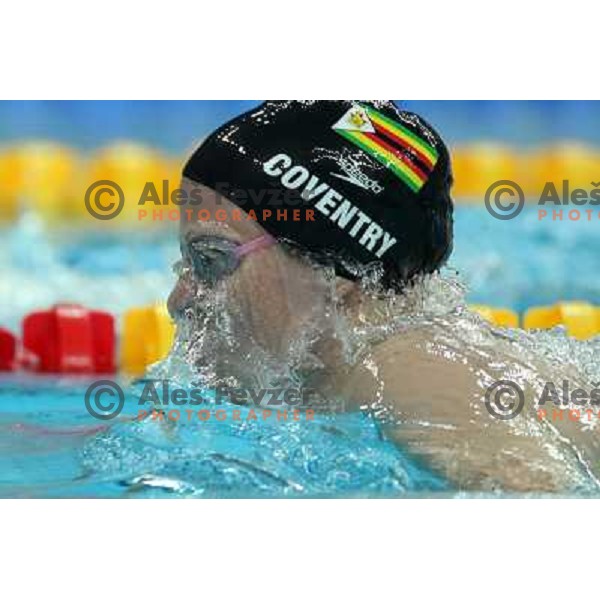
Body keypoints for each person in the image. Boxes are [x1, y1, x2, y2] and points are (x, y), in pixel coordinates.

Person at [168, 101, 600, 493]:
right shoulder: (358, 371)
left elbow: (538, 493)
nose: (179, 298)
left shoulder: (402, 375)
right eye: (186, 263)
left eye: (211, 259)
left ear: (339, 272)